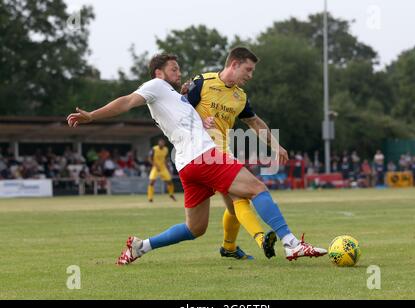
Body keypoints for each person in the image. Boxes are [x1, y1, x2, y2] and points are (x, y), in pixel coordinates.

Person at [66, 53, 327, 265]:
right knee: (257, 188)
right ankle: (291, 244)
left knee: (196, 228)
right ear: (158, 73)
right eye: (173, 69)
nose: (179, 73)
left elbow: (183, 118)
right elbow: (126, 101)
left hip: (187, 164)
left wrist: (203, 120)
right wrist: (92, 115)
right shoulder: (155, 86)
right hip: (203, 157)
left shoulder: (177, 97)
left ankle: (140, 246)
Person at [182, 47, 289, 260]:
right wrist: (200, 120)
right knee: (242, 198)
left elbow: (255, 122)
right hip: (202, 154)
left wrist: (276, 146)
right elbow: (180, 111)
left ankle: (229, 248)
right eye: (248, 70)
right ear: (234, 64)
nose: (250, 75)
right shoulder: (202, 82)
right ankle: (261, 239)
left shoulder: (240, 97)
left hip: (222, 153)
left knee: (234, 207)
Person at [147, 138, 176, 202]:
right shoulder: (154, 149)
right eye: (160, 143)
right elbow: (149, 158)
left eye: (162, 143)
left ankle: (171, 194)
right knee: (151, 182)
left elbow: (166, 159)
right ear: (158, 143)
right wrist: (154, 165)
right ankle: (150, 198)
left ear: (164, 144)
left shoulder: (166, 149)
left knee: (169, 182)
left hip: (163, 168)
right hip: (155, 168)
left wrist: (168, 168)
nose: (161, 144)